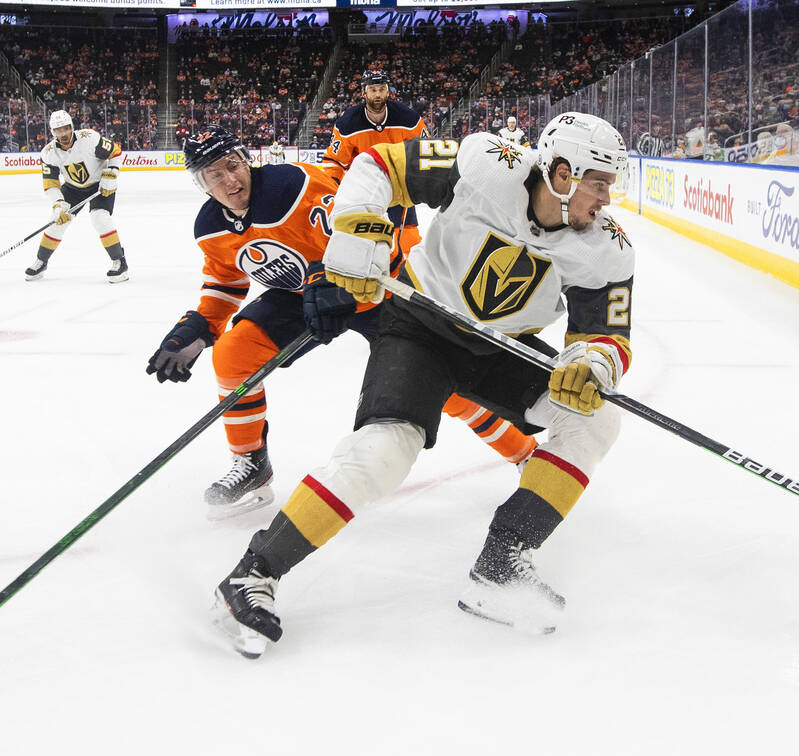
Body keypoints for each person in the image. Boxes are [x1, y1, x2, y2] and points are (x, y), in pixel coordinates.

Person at [212, 112, 634, 658]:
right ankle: (254, 572)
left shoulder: (607, 246)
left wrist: (593, 364)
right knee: (384, 452)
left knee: (597, 416)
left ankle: (501, 564)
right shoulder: (486, 163)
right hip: (421, 326)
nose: (605, 198)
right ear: (562, 172)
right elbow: (379, 165)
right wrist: (357, 234)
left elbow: (608, 334)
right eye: (598, 182)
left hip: (502, 349)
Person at [146, 126, 535, 520]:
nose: (230, 180)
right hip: (301, 299)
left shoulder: (292, 185)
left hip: (376, 286)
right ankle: (251, 465)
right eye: (214, 174)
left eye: (233, 165)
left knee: (441, 386)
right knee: (233, 354)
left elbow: (357, 230)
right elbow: (225, 282)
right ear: (201, 184)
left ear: (247, 160)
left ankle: (524, 453)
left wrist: (329, 278)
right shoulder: (210, 228)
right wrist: (196, 327)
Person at [323, 70, 538, 466]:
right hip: (361, 216)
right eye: (371, 87)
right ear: (363, 91)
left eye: (382, 87)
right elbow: (333, 169)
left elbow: (422, 157)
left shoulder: (407, 116)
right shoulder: (348, 123)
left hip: (401, 216)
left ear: (388, 90)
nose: (377, 93)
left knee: (417, 295)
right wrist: (347, 210)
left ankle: (521, 449)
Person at [26, 110, 128, 283]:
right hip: (73, 189)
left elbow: (115, 152)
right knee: (56, 221)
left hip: (99, 185)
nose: (63, 133)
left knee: (100, 218)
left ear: (72, 127)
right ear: (53, 132)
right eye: (58, 130)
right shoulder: (48, 153)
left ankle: (119, 262)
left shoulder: (90, 139)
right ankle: (41, 261)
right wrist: (58, 204)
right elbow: (50, 183)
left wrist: (112, 173)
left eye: (66, 128)